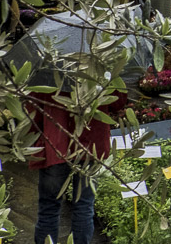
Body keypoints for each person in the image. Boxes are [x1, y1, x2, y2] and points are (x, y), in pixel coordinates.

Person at [31, 89, 127, 244]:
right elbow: (117, 101)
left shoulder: (48, 69)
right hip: (91, 145)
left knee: (49, 207)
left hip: (56, 143)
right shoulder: (101, 68)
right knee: (84, 206)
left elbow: (33, 103)